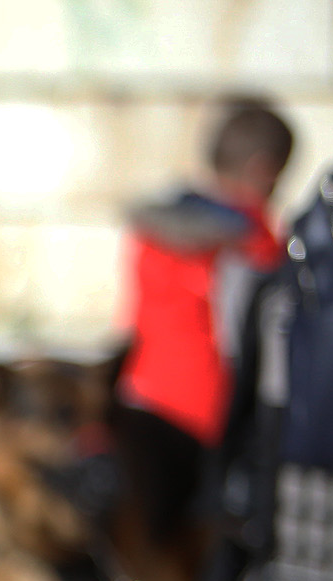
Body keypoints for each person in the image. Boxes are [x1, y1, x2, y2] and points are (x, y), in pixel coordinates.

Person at [116, 97, 294, 540]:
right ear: (264, 167)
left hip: (140, 402)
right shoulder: (253, 238)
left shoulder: (157, 223)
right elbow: (249, 342)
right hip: (212, 419)